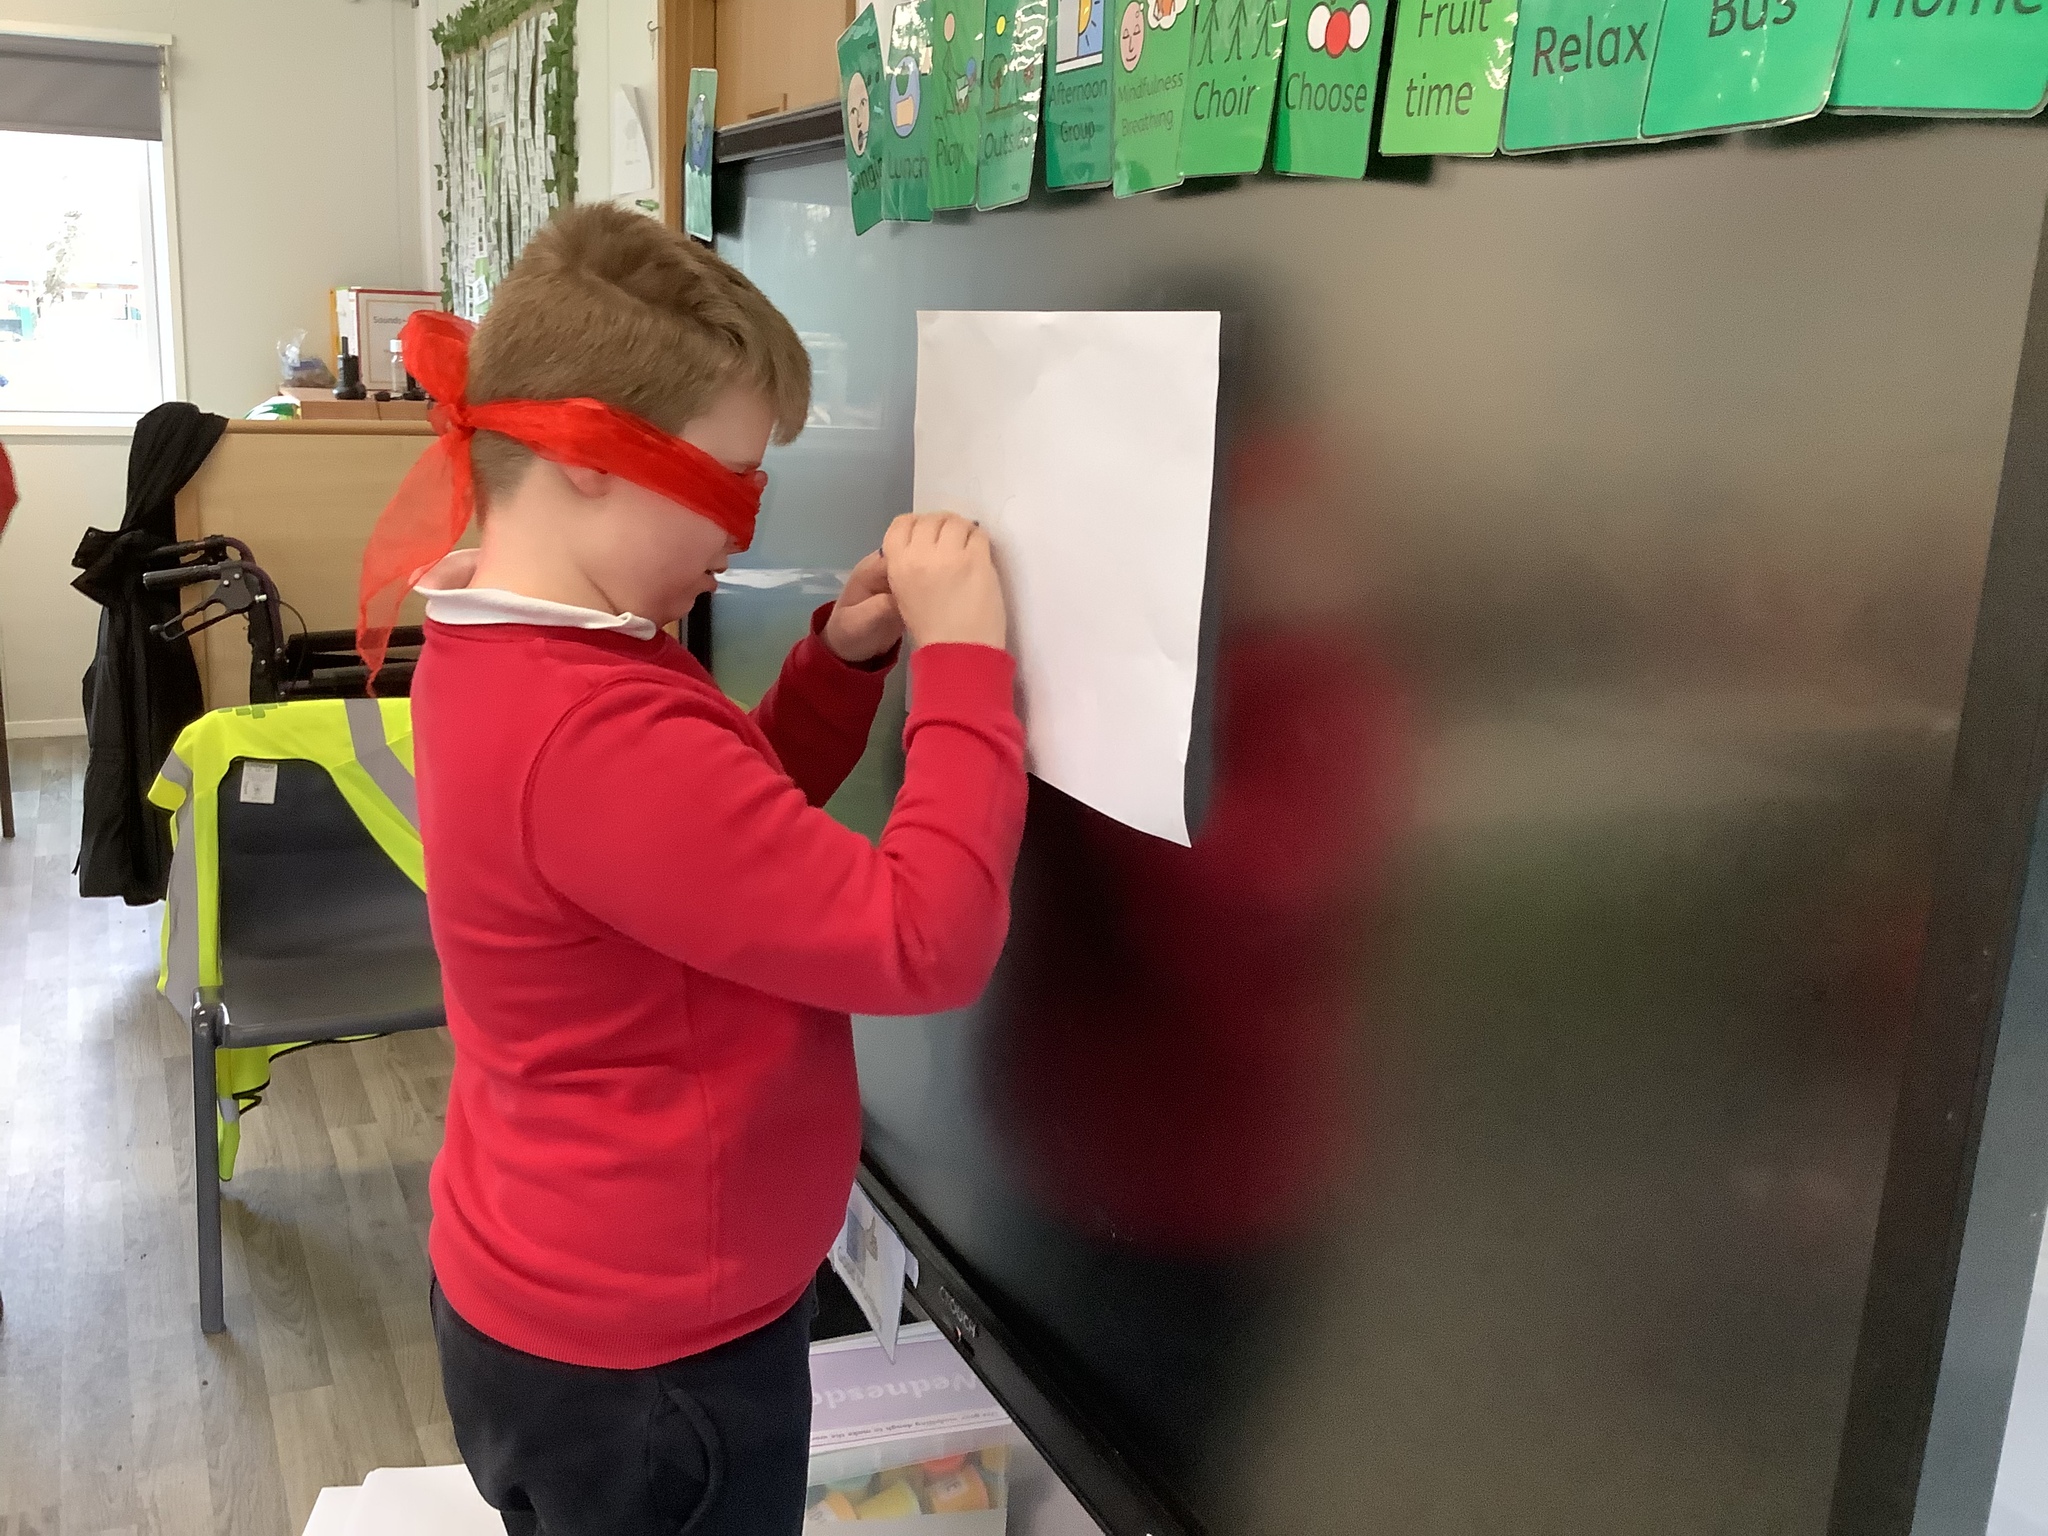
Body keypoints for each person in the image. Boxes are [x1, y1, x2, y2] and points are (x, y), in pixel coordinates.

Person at [354, 204, 1026, 1536]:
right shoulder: (589, 728)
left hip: (553, 1297)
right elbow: (924, 939)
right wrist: (965, 662)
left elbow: (718, 835)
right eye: (728, 486)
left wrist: (838, 663)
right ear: (586, 460)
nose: (740, 535)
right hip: (652, 1370)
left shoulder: (521, 642)